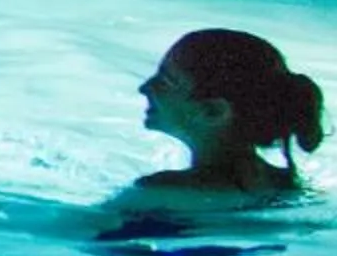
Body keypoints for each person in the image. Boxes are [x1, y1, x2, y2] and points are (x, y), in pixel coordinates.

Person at [133, 28, 326, 198]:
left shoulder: (162, 192)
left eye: (167, 82)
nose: (145, 88)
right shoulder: (287, 187)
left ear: (213, 111)